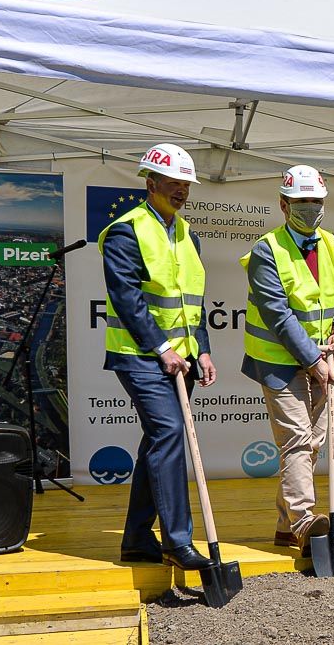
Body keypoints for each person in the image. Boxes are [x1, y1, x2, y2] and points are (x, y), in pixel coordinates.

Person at [99, 143, 216, 570]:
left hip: (181, 358)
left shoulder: (188, 234)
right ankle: (177, 541)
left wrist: (203, 349)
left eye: (186, 185)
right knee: (169, 432)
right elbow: (127, 299)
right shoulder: (125, 231)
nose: (181, 191)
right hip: (139, 355)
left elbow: (191, 303)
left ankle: (135, 539)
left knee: (157, 440)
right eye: (173, 184)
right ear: (150, 183)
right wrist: (162, 348)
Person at [240, 165, 334, 555]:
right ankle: (305, 522)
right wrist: (312, 360)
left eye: (316, 201)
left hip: (323, 359)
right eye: (302, 201)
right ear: (284, 205)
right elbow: (278, 314)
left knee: (312, 443)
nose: (310, 208)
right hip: (278, 360)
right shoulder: (266, 250)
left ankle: (285, 525)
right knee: (298, 439)